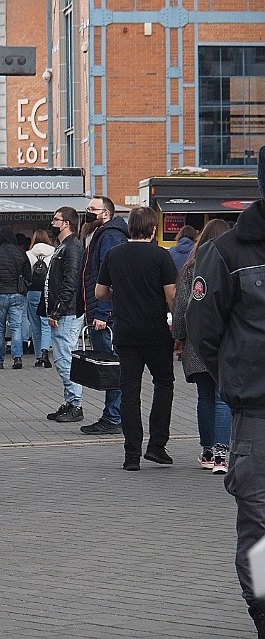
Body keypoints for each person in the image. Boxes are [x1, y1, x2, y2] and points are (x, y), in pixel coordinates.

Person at [187, 145, 265, 637]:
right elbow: (203, 331)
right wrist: (239, 381)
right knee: (260, 533)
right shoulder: (229, 252)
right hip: (257, 416)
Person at [95, 206, 176, 471]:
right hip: (155, 332)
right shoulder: (161, 256)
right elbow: (172, 296)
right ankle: (157, 446)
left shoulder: (114, 254)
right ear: (153, 229)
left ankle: (131, 455)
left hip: (125, 332)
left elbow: (99, 292)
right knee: (163, 384)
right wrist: (177, 323)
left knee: (130, 391)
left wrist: (118, 297)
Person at [172, 219, 232, 474]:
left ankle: (206, 452)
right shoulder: (232, 264)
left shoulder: (190, 269)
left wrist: (180, 337)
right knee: (223, 398)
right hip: (227, 342)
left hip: (197, 343)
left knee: (205, 397)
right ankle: (221, 455)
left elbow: (183, 306)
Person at [77, 195, 128, 435]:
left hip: (105, 315)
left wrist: (103, 312)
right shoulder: (101, 235)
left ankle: (114, 417)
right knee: (111, 365)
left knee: (112, 366)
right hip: (99, 311)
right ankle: (114, 415)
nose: (88, 213)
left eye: (92, 209)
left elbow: (110, 275)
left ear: (105, 214)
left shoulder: (109, 236)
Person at [40, 207, 86, 424]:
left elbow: (70, 281)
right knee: (63, 358)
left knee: (64, 359)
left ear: (66, 223)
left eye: (56, 219)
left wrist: (58, 310)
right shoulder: (64, 247)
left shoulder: (72, 248)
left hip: (66, 313)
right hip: (62, 311)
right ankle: (70, 401)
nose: (53, 222)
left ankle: (76, 403)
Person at [0, 225, 31, 370]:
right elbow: (27, 275)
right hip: (17, 294)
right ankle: (17, 358)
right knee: (16, 327)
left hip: (0, 293)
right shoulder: (20, 253)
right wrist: (22, 288)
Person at [26, 229, 54, 368]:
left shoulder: (29, 254)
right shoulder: (54, 253)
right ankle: (44, 352)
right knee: (46, 324)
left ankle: (38, 357)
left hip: (32, 292)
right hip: (47, 292)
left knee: (35, 326)